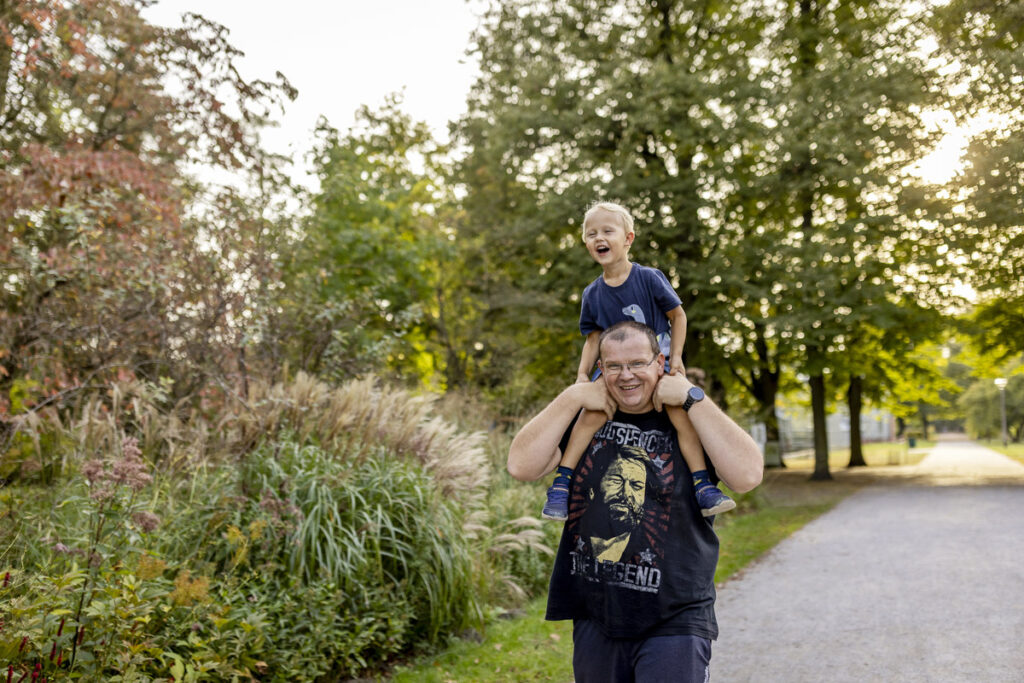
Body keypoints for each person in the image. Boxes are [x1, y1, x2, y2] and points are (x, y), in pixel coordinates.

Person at [508, 321, 763, 682]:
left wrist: (691, 395)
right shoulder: (588, 420)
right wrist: (573, 396)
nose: (626, 375)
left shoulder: (687, 421)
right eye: (613, 366)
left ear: (659, 362)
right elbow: (521, 465)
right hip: (596, 615)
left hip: (676, 616)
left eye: (637, 363)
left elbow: (748, 475)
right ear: (601, 369)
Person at [542, 201, 735, 521]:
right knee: (590, 412)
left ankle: (704, 486)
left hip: (655, 362)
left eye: (607, 230)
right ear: (587, 244)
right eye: (591, 234)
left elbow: (679, 316)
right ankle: (562, 484)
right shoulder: (592, 293)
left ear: (628, 238)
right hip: (615, 369)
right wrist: (581, 375)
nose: (598, 237)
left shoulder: (648, 278)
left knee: (679, 410)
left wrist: (676, 360)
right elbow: (593, 338)